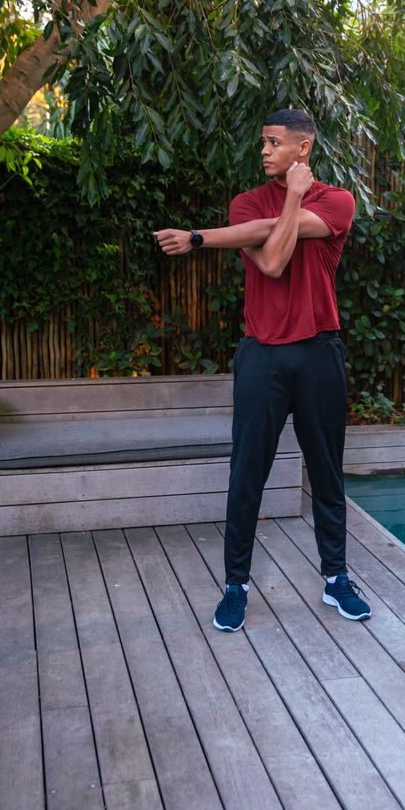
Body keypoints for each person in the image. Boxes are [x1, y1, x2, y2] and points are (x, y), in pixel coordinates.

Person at [154, 108, 371, 631]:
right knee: (246, 472)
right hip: (262, 354)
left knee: (327, 472)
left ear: (304, 148)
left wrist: (205, 236)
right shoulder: (245, 202)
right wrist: (278, 209)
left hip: (320, 351)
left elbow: (275, 240)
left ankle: (336, 578)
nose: (264, 151)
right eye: (263, 143)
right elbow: (272, 259)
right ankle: (235, 585)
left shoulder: (338, 201)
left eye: (274, 143)